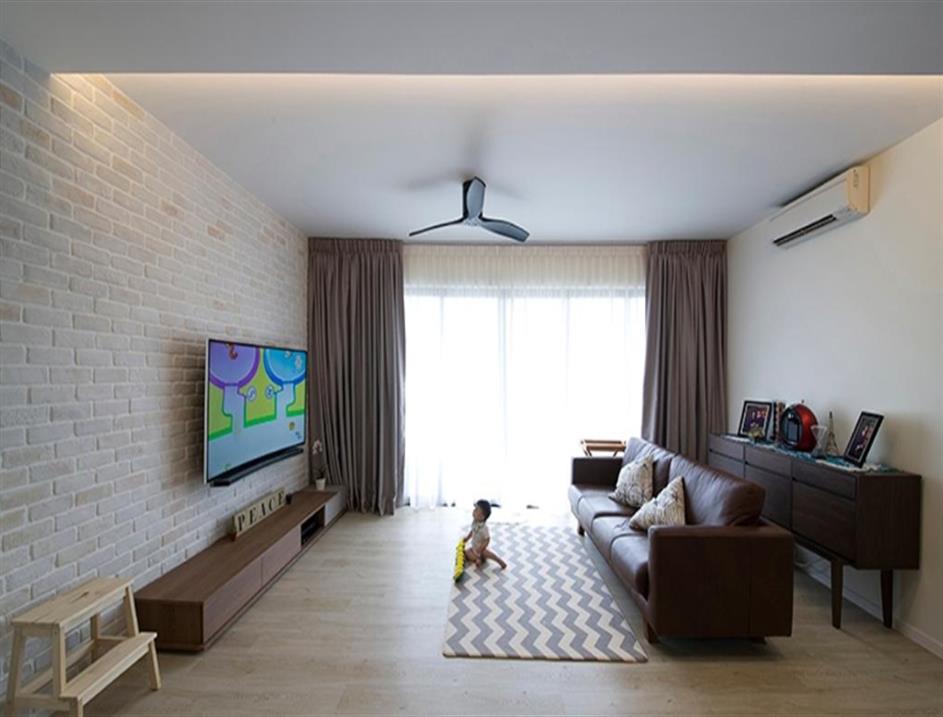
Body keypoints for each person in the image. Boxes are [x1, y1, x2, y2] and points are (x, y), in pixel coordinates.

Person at [463, 499, 507, 570]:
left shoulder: (484, 528)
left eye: (476, 510)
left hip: (481, 548)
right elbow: (473, 531)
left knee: (487, 553)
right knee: (467, 553)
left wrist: (481, 548)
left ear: (482, 517)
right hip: (474, 548)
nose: (473, 511)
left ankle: (499, 561)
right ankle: (478, 559)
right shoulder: (474, 522)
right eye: (474, 508)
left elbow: (487, 539)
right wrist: (467, 538)